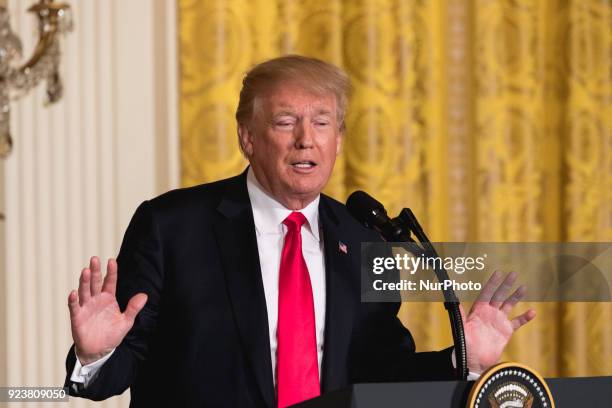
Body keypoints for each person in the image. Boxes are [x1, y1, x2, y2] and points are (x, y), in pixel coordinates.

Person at [64, 55, 535, 407]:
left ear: (339, 139)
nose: (306, 139)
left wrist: (462, 358)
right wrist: (95, 356)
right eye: (286, 122)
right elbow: (112, 376)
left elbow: (379, 374)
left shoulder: (364, 238)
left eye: (322, 123)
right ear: (247, 136)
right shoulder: (172, 226)